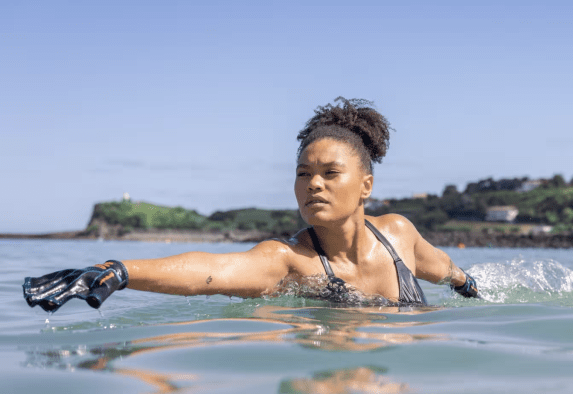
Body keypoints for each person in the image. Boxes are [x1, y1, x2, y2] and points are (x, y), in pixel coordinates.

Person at [23, 97, 479, 312]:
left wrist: (469, 285)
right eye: (303, 174)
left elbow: (449, 272)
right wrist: (121, 271)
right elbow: (209, 272)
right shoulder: (288, 261)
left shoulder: (398, 234)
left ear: (365, 185)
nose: (313, 185)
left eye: (329, 173)